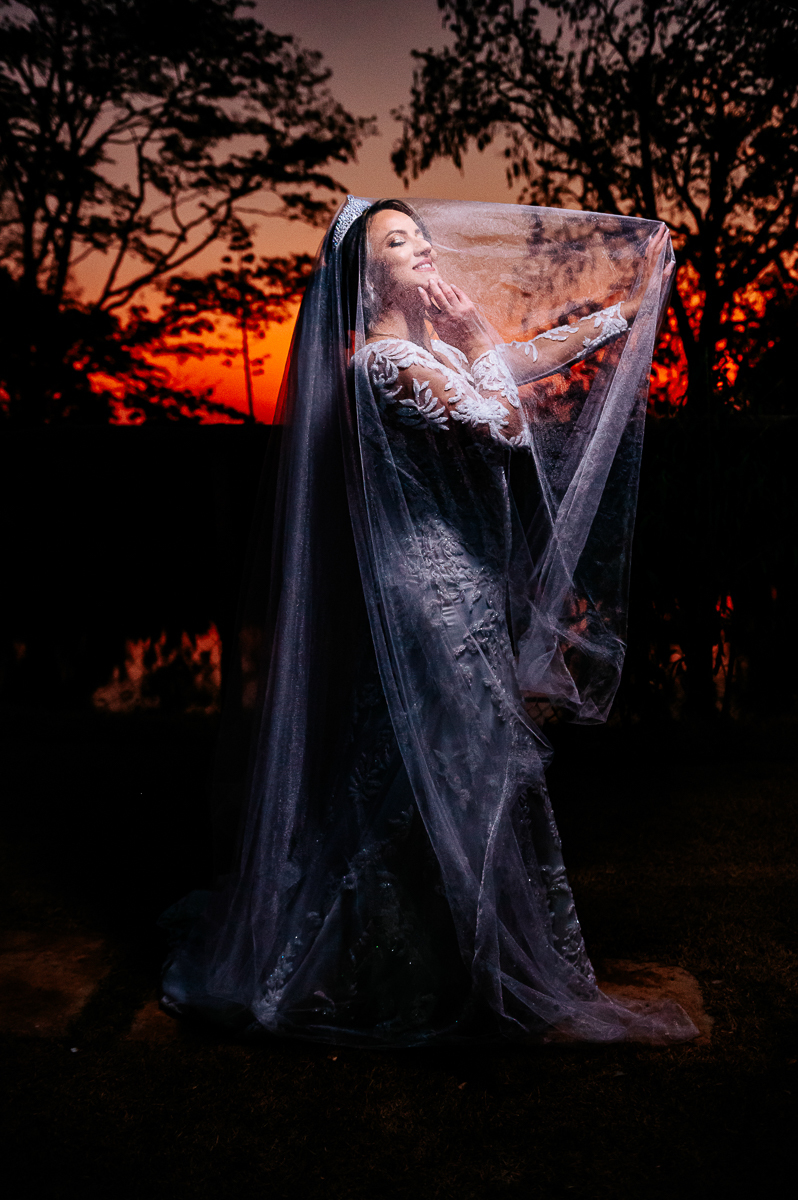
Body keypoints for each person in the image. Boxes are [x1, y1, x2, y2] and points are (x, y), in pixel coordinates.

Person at [161, 196, 697, 1046]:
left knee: (429, 775)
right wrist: (483, 346)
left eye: (419, 235)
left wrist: (621, 313)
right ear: (367, 274)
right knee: (456, 769)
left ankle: (428, 958)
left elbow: (519, 359)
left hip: (468, 588)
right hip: (432, 592)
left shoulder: (430, 350)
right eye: (396, 241)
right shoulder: (382, 364)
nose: (419, 248)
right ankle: (388, 967)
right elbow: (508, 429)